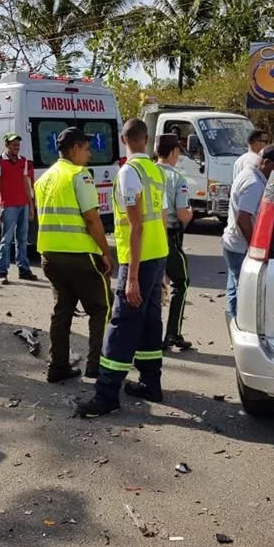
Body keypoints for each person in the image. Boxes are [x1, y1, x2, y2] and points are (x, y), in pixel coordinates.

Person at [76, 120, 169, 418]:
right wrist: (162, 269)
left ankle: (106, 394)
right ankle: (150, 382)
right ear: (147, 140)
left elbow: (136, 225)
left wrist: (131, 277)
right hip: (157, 256)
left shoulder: (129, 173)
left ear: (123, 139)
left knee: (121, 325)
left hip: (138, 260)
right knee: (150, 323)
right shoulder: (156, 170)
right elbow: (162, 219)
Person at [35, 127, 113, 383]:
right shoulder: (80, 175)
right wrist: (105, 251)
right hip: (80, 255)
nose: (89, 155)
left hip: (49, 256)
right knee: (101, 307)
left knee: (62, 312)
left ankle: (57, 367)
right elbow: (92, 219)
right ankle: (97, 365)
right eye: (87, 149)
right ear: (75, 148)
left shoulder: (44, 179)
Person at [222, 145, 274, 319]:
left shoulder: (249, 175)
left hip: (233, 243)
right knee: (243, 292)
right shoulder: (254, 183)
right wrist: (254, 246)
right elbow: (243, 218)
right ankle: (239, 326)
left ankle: (233, 324)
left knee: (234, 288)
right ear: (266, 162)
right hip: (241, 245)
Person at [155, 133, 193, 350]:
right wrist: (191, 213)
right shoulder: (177, 178)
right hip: (169, 237)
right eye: (178, 151)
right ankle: (172, 333)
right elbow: (181, 214)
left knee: (151, 286)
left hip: (146, 236)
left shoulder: (146, 173)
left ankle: (149, 336)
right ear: (172, 152)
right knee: (182, 282)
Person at [0, 132, 39, 284]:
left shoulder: (23, 161)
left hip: (23, 204)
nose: (16, 147)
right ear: (7, 145)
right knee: (6, 239)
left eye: (18, 145)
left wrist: (31, 205)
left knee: (22, 239)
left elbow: (26, 184)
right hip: (8, 205)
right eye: (13, 145)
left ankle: (24, 269)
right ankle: (2, 271)